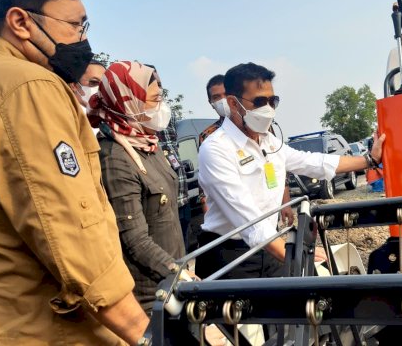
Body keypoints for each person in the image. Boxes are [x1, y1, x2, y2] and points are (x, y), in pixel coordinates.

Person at [0, 0, 149, 345]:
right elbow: (72, 229)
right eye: (76, 25)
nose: (83, 39)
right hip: (48, 327)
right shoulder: (27, 86)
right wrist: (143, 332)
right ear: (20, 22)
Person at [196, 62, 384, 280]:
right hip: (231, 257)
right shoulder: (216, 148)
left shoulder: (269, 141)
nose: (268, 109)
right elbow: (248, 220)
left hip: (270, 245)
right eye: (259, 101)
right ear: (233, 103)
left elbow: (313, 162)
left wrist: (369, 160)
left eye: (272, 101)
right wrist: (295, 256)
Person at [87, 61, 191, 315]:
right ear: (128, 102)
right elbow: (133, 238)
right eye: (154, 100)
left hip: (172, 281)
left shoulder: (147, 144)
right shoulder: (115, 158)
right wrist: (177, 272)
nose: (161, 107)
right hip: (148, 296)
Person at [200, 74, 296, 225]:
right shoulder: (208, 137)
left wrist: (285, 203)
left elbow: (277, 165)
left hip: (267, 208)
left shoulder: (261, 125)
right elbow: (207, 188)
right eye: (217, 97)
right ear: (211, 102)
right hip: (236, 219)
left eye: (226, 94)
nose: (223, 100)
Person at [157, 107, 192, 251]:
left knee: (183, 250)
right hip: (166, 206)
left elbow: (173, 145)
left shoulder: (167, 112)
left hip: (182, 200)